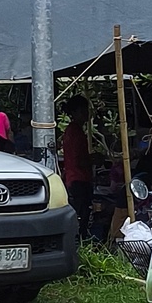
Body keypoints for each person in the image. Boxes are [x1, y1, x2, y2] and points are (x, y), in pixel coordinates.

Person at [59, 97, 94, 227]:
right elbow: (78, 160)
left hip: (77, 178)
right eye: (82, 110)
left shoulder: (75, 130)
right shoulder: (74, 132)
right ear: (74, 113)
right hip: (78, 179)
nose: (86, 113)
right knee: (81, 215)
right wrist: (93, 159)